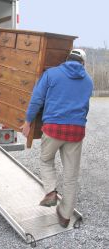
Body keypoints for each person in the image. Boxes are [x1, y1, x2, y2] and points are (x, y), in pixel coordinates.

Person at [20, 49, 93, 228]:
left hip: (53, 128)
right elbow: (85, 106)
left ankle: (51, 192)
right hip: (76, 131)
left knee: (46, 160)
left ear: (67, 60)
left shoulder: (51, 74)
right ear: (82, 63)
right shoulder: (88, 81)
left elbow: (37, 99)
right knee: (71, 174)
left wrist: (28, 122)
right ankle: (65, 215)